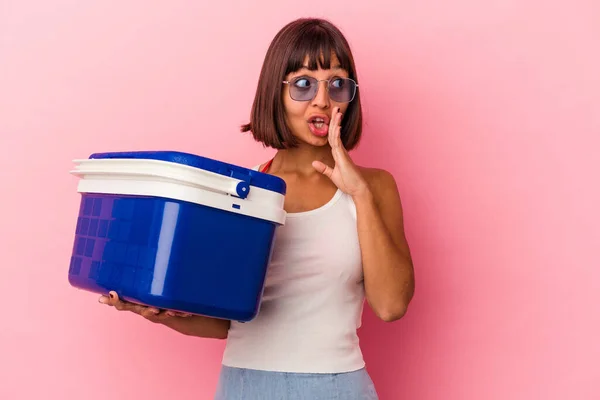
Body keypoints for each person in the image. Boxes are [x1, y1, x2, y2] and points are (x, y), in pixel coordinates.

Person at [99, 17, 415, 400]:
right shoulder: (240, 191)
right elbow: (232, 321)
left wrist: (359, 193)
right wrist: (160, 313)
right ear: (275, 93)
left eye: (337, 84)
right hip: (244, 386)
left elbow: (391, 305)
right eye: (303, 84)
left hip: (337, 386)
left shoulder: (374, 187)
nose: (322, 100)